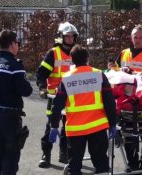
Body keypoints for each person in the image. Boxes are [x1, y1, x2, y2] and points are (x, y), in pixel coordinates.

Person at [49, 44, 117, 174]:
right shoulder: (99, 75)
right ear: (88, 58)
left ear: (72, 60)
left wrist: (53, 126)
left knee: (74, 166)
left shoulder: (67, 78)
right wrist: (113, 124)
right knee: (101, 164)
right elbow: (109, 102)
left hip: (75, 130)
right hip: (97, 127)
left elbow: (57, 105)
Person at [0, 29, 33, 175]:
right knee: (10, 159)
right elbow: (27, 91)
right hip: (9, 117)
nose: (18, 46)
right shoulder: (14, 65)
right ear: (12, 44)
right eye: (18, 43)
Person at [108, 25, 142, 171]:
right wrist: (112, 67)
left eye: (140, 37)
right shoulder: (124, 53)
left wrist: (132, 72)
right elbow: (116, 73)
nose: (137, 40)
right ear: (131, 38)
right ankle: (133, 163)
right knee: (128, 133)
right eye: (135, 37)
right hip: (125, 101)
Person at [36, 22, 78, 168]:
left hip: (72, 99)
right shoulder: (53, 53)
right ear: (61, 36)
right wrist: (42, 88)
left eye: (73, 36)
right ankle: (46, 155)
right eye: (67, 36)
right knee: (50, 127)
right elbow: (41, 73)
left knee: (69, 128)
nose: (70, 39)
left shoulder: (77, 52)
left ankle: (64, 155)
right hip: (54, 97)